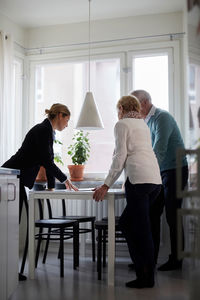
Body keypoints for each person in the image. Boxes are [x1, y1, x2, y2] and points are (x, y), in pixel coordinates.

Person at [1, 103, 78, 281]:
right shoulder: (43, 130)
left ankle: (9, 271)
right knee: (9, 227)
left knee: (11, 227)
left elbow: (46, 161)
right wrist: (65, 180)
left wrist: (51, 186)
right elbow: (47, 161)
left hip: (15, 180)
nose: (67, 125)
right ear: (59, 115)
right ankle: (8, 271)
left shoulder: (46, 130)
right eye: (67, 120)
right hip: (10, 179)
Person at [93, 95, 162, 288]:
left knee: (140, 228)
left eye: (117, 110)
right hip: (154, 181)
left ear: (122, 108)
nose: (118, 114)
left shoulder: (122, 124)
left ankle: (146, 277)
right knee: (130, 224)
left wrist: (106, 184)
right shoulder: (143, 124)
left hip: (139, 181)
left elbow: (120, 156)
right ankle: (145, 272)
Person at [131, 90, 188, 271]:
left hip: (175, 170)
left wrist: (145, 173)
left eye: (136, 105)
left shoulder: (162, 118)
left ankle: (177, 260)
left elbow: (159, 151)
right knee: (152, 214)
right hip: (160, 171)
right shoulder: (145, 121)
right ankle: (149, 259)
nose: (133, 110)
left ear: (146, 103)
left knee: (172, 215)